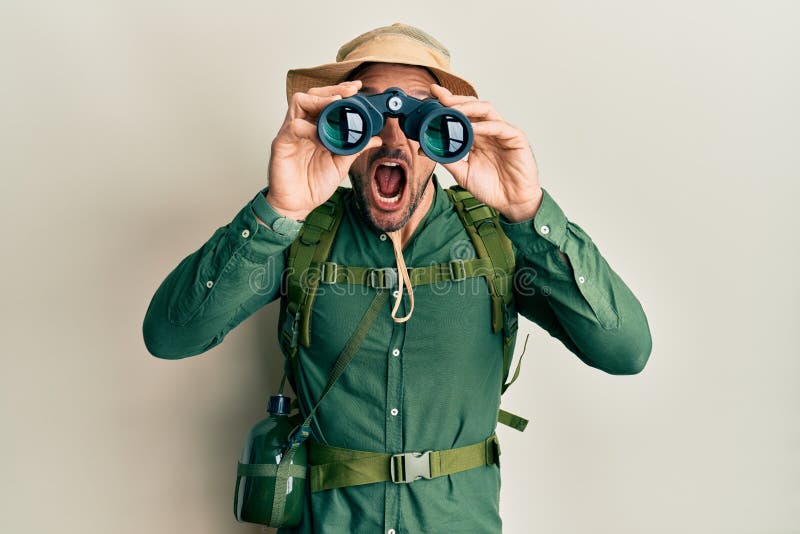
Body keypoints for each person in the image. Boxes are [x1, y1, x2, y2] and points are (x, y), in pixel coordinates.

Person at [143, 22, 652, 534]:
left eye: (419, 117)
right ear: (333, 124)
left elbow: (626, 351)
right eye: (363, 115)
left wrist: (529, 212)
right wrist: (277, 210)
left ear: (447, 132)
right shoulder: (302, 235)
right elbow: (169, 336)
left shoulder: (496, 239)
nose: (392, 139)